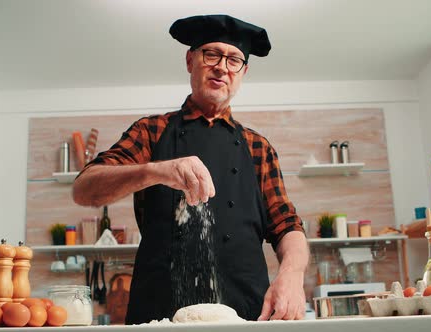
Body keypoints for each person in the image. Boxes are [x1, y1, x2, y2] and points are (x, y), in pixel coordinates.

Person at [73, 14, 309, 324]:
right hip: (159, 315)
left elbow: (286, 224)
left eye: (234, 59)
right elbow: (84, 188)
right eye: (211, 53)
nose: (222, 66)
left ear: (243, 72)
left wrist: (292, 275)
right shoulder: (150, 131)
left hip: (249, 314)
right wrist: (155, 171)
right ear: (190, 60)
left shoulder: (258, 147)